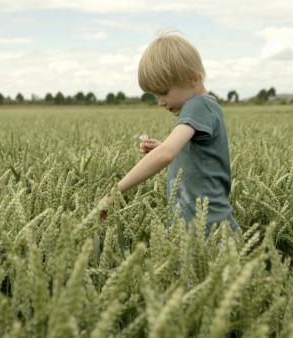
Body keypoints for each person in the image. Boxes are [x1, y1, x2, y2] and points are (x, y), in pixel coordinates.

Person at [97, 28, 239, 240]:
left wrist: (112, 194)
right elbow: (195, 157)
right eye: (155, 95)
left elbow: (166, 155)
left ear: (192, 78)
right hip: (197, 228)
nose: (160, 101)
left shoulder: (198, 105)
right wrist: (163, 145)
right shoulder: (206, 105)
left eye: (164, 92)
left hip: (208, 231)